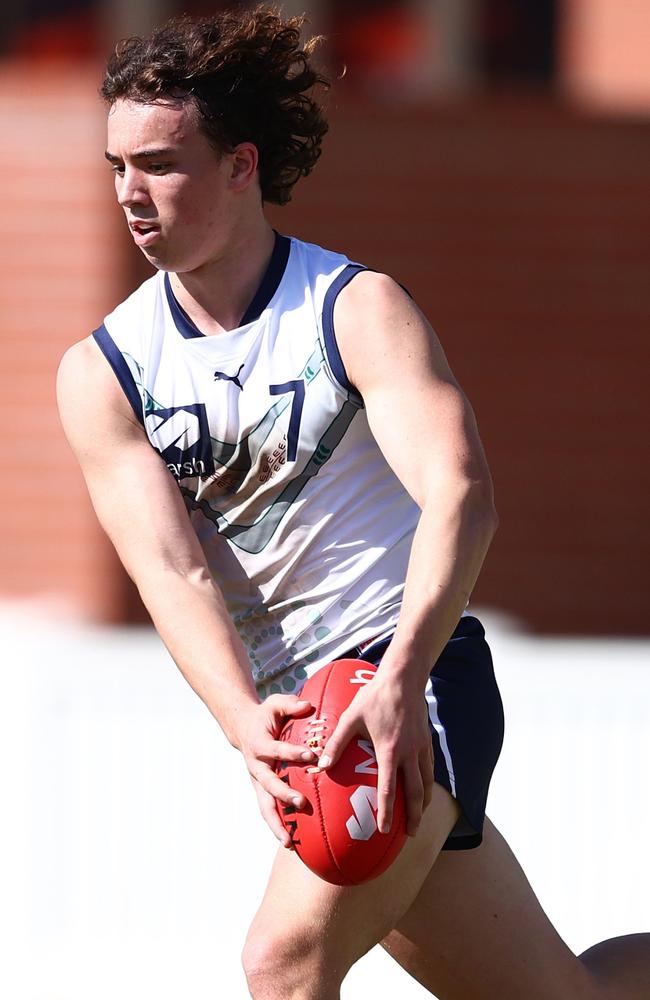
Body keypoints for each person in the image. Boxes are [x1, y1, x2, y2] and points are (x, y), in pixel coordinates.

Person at [57, 6, 649, 999]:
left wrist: (398, 682)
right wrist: (242, 719)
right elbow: (171, 567)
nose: (131, 192)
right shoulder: (104, 372)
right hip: (298, 718)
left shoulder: (350, 308)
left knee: (282, 963)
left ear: (242, 166)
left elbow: (461, 495)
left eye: (160, 162)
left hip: (408, 675)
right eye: (117, 165)